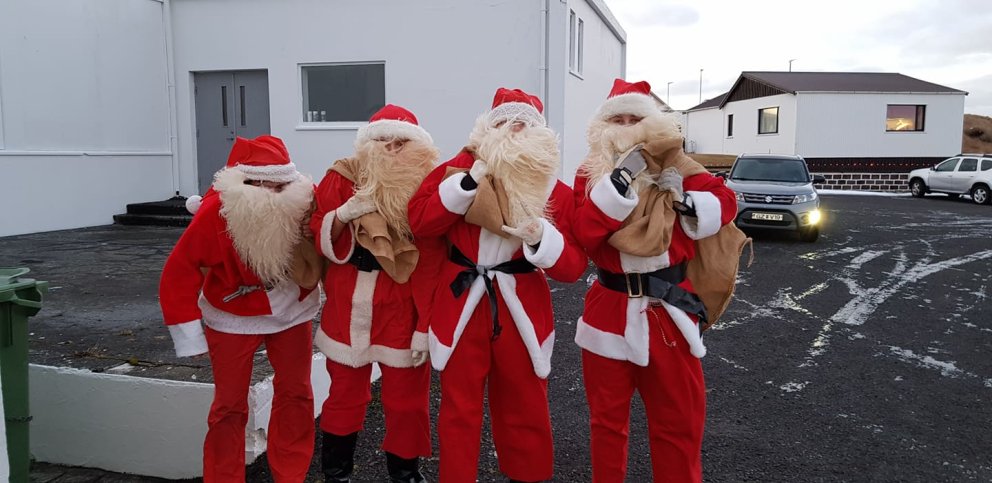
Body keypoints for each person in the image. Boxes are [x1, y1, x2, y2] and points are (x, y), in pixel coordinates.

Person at [408, 88, 587, 482]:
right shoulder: (457, 170)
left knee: (525, 404)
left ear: (539, 134)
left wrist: (541, 236)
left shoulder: (552, 190)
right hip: (462, 301)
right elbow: (421, 223)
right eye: (504, 122)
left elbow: (573, 267)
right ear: (487, 128)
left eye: (523, 124)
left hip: (520, 305)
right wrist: (466, 186)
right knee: (458, 408)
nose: (513, 129)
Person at [572, 78, 743, 483]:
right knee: (607, 425)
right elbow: (583, 233)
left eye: (637, 117)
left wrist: (684, 200)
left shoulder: (678, 164)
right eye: (618, 118)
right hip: (609, 309)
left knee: (678, 425)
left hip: (669, 309)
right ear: (603, 125)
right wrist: (615, 187)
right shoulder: (590, 172)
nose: (628, 125)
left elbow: (726, 201)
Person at [159, 135, 322, 482]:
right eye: (261, 185)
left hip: (293, 310)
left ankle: (291, 473)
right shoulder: (216, 211)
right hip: (231, 316)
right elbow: (179, 269)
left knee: (297, 394)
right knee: (229, 406)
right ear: (242, 182)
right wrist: (190, 333)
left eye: (279, 185)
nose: (271, 192)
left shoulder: (304, 200)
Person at [310, 104, 443, 483]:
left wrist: (426, 324)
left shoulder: (427, 183)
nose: (390, 148)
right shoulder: (341, 177)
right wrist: (344, 213)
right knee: (345, 396)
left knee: (407, 402)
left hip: (403, 305)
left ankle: (405, 475)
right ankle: (336, 473)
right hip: (348, 302)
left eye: (400, 142)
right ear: (367, 143)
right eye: (382, 140)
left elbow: (433, 256)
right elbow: (317, 229)